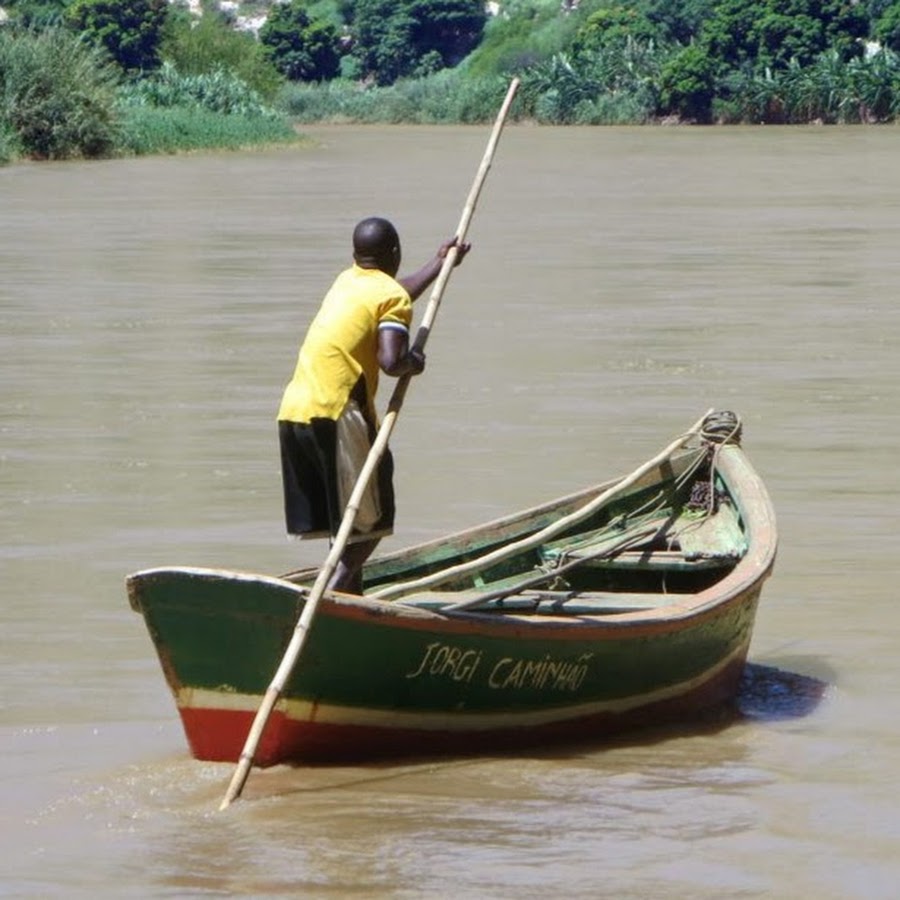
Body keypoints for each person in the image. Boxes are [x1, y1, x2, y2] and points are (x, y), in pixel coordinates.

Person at [277, 216, 469, 594]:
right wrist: (413, 362)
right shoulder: (390, 296)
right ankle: (330, 594)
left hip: (295, 411)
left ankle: (349, 598)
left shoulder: (346, 281)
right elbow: (390, 360)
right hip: (338, 412)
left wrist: (440, 263)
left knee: (346, 521)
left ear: (356, 255)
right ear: (394, 253)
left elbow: (392, 294)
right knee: (372, 518)